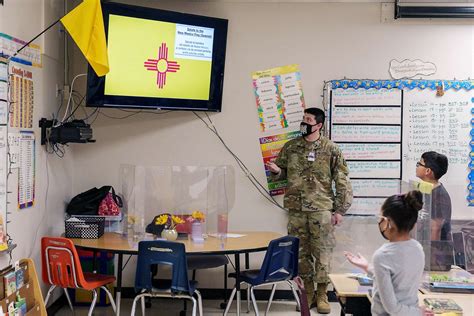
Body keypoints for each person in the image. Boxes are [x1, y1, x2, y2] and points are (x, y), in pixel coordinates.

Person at [266, 107, 352, 314]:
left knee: (322, 253)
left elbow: (342, 180)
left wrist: (340, 209)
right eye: (303, 119)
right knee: (300, 254)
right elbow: (280, 172)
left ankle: (323, 294)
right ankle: (308, 293)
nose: (303, 123)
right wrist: (277, 172)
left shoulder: (331, 149)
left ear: (319, 125)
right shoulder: (291, 147)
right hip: (296, 209)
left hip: (321, 209)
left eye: (308, 120)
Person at [344, 191, 425, 316]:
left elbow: (392, 308)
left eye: (380, 219)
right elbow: (397, 279)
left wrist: (419, 313)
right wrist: (367, 267)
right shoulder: (418, 248)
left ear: (388, 223)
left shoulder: (382, 255)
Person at [416, 151, 451, 241]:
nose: (417, 166)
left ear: (428, 171)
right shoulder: (425, 188)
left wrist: (432, 253)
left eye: (419, 164)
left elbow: (436, 229)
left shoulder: (440, 195)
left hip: (435, 249)